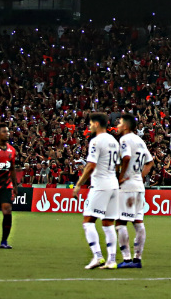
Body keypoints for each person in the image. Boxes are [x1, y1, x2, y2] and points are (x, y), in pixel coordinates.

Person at [74, 112, 121, 269]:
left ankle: (97, 256)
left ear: (96, 124)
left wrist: (79, 184)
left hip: (100, 185)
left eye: (90, 123)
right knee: (108, 224)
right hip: (113, 185)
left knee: (88, 222)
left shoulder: (96, 141)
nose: (89, 126)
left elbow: (91, 165)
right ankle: (112, 260)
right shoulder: (114, 141)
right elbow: (118, 165)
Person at [114, 113, 153, 268]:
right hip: (139, 186)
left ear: (126, 126)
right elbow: (150, 163)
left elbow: (127, 158)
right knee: (138, 222)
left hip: (127, 187)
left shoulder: (124, 140)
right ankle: (137, 259)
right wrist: (139, 176)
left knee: (120, 222)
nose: (117, 126)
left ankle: (127, 259)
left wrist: (121, 177)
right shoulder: (140, 141)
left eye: (119, 123)